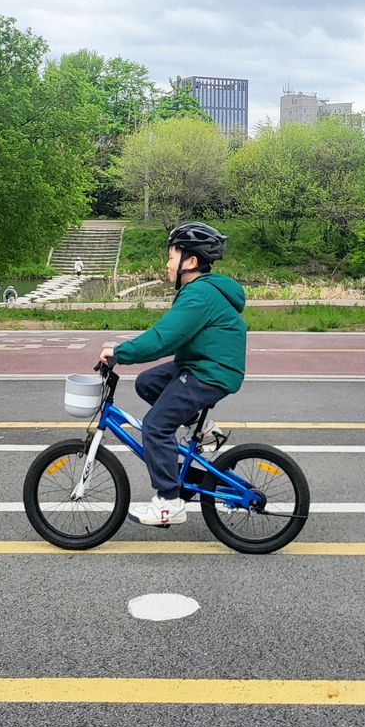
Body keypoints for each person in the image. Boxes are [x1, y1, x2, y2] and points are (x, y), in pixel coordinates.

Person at [99, 222, 246, 528]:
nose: (166, 264)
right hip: (201, 363)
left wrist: (119, 354)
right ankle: (203, 429)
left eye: (171, 257)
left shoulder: (199, 295)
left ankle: (169, 501)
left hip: (210, 371)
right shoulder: (200, 290)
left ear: (189, 262)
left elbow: (163, 338)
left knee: (156, 425)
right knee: (147, 383)